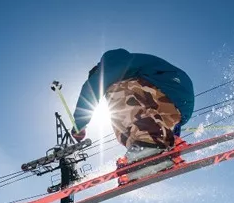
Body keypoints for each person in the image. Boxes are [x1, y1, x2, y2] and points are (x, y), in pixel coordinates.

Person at [72, 49, 194, 181]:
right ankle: (149, 150)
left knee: (115, 95)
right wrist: (173, 139)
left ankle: (148, 146)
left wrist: (79, 125)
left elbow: (92, 87)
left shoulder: (112, 63)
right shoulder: (129, 71)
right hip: (175, 105)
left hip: (169, 85)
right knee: (124, 125)